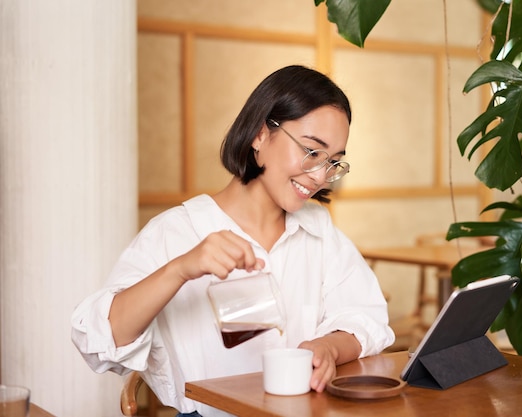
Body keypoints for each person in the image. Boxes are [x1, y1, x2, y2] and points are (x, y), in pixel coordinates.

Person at [71, 65, 395, 417]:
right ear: (260, 134)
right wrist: (180, 269)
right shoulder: (179, 231)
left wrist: (329, 347)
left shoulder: (318, 231)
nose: (320, 176)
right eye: (311, 151)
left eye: (333, 162)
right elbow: (99, 341)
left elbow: (367, 318)